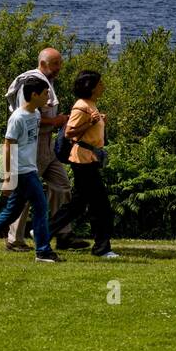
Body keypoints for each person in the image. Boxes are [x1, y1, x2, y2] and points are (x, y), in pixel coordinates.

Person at [0, 78, 64, 263]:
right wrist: (7, 178)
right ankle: (43, 251)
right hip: (22, 171)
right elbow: (8, 146)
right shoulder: (17, 118)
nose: (49, 99)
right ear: (34, 95)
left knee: (11, 212)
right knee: (42, 207)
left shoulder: (35, 114)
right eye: (45, 94)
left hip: (30, 168)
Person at [4, 48, 85, 251]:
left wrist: (57, 123)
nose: (59, 68)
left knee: (62, 185)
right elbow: (28, 117)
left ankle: (63, 234)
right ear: (43, 64)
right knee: (24, 193)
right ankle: (15, 239)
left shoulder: (47, 82)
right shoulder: (32, 83)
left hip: (48, 145)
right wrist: (57, 121)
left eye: (59, 63)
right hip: (33, 146)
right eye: (55, 64)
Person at [50, 70, 118, 259]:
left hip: (88, 160)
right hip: (83, 161)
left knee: (78, 205)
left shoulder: (89, 104)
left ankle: (44, 231)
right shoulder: (81, 106)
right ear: (91, 87)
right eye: (100, 83)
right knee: (101, 206)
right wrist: (90, 123)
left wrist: (98, 122)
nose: (102, 86)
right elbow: (69, 132)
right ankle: (102, 248)